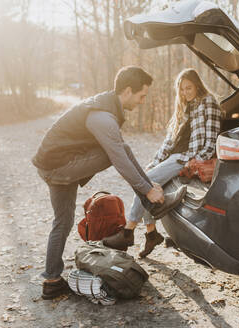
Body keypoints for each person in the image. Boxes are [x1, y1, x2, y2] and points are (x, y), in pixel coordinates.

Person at [32, 66, 186, 300]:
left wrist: (147, 185)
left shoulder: (104, 106)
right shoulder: (102, 117)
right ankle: (152, 200)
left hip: (55, 163)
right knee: (117, 151)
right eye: (141, 95)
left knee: (62, 222)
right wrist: (147, 189)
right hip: (59, 166)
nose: (143, 101)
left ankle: (51, 282)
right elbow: (120, 159)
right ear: (127, 91)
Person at [103, 68, 222, 258]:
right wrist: (154, 162)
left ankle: (129, 231)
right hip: (173, 157)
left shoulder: (209, 103)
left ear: (197, 85)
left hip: (185, 159)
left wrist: (194, 163)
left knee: (145, 183)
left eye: (188, 88)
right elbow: (169, 142)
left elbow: (211, 140)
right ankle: (151, 233)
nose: (184, 93)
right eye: (181, 89)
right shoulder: (184, 108)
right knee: (147, 180)